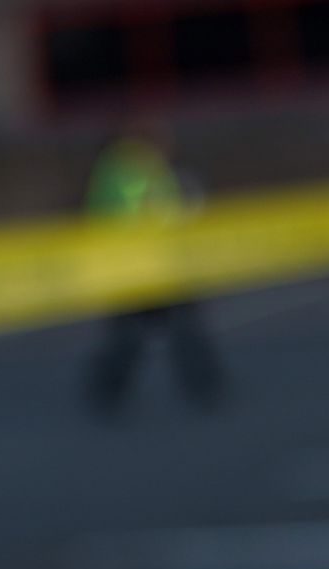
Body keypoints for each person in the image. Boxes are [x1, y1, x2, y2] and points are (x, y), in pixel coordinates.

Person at [81, 121, 224, 413]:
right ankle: (108, 390)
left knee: (170, 333)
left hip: (156, 268)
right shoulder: (130, 172)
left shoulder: (138, 168)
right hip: (141, 270)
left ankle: (204, 385)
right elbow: (146, 215)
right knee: (143, 337)